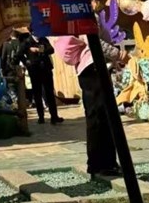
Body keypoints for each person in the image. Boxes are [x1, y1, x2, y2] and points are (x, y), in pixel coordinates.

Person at [53, 33, 127, 180]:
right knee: (100, 117)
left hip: (89, 67)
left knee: (100, 117)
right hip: (93, 67)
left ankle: (102, 163)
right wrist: (118, 54)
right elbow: (93, 40)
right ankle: (101, 164)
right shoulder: (86, 19)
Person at [16, 28, 64, 125]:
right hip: (34, 70)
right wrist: (27, 63)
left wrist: (39, 49)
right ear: (31, 32)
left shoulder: (43, 39)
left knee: (49, 93)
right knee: (37, 93)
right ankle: (41, 117)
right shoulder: (27, 42)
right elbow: (19, 54)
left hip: (46, 69)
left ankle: (54, 116)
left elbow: (51, 50)